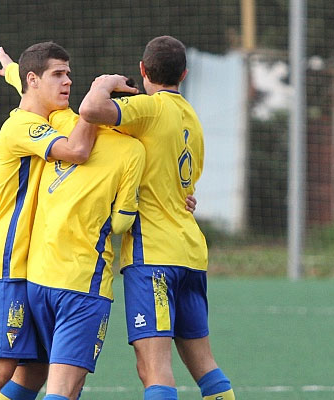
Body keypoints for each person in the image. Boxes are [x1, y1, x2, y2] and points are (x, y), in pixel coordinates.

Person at [0, 42, 137, 400]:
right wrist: (97, 96)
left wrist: (11, 69)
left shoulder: (41, 115)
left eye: (69, 74)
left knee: (34, 371)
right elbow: (78, 151)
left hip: (32, 269)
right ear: (34, 80)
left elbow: (28, 83)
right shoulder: (22, 126)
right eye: (58, 74)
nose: (68, 81)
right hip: (7, 264)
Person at [79, 36, 236, 400]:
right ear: (184, 73)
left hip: (154, 257)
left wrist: (104, 84)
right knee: (205, 366)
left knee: (153, 369)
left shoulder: (149, 109)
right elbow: (185, 185)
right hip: (191, 253)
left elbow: (90, 111)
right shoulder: (193, 119)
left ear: (142, 70)